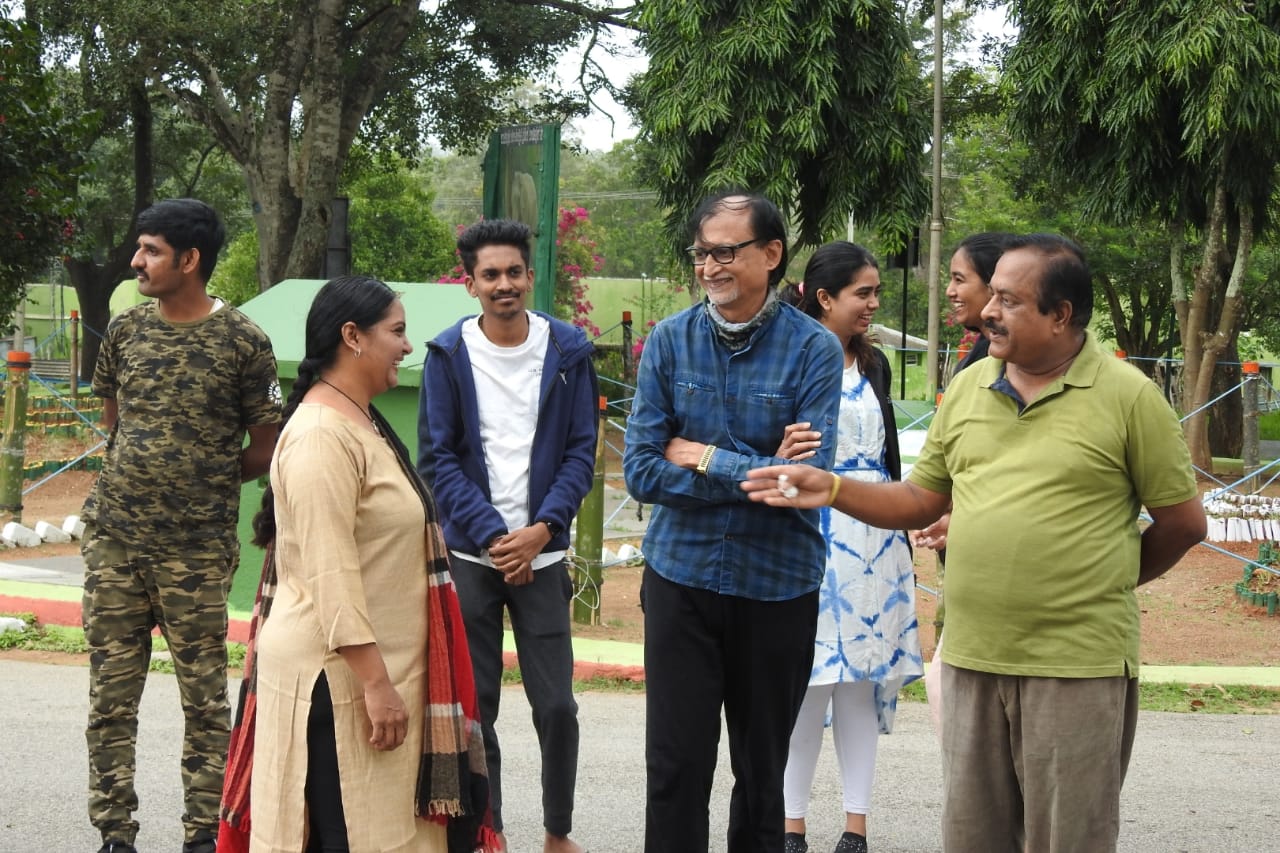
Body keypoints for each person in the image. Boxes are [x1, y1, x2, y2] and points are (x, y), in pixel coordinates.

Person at [743, 233, 1207, 853]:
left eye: (1009, 301)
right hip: (970, 659)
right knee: (972, 838)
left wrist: (1106, 580)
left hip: (1076, 667)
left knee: (1068, 839)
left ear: (1060, 315)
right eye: (992, 296)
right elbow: (919, 500)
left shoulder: (1129, 397)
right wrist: (829, 487)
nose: (987, 310)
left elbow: (1183, 524)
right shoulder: (969, 387)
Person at [239, 276, 495, 852]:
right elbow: (331, 574)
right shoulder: (321, 436)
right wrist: (377, 685)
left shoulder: (360, 421)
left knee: (382, 832)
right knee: (346, 833)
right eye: (397, 331)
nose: (408, 346)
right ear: (352, 336)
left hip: (375, 672)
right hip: (339, 678)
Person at [622, 191, 844, 852]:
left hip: (777, 585)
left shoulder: (814, 351)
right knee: (674, 769)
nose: (710, 266)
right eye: (701, 253)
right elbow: (640, 470)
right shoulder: (669, 341)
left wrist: (699, 455)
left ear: (771, 254)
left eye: (727, 251)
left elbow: (798, 482)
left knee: (761, 776)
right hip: (680, 578)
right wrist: (748, 467)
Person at [81, 198, 281, 853]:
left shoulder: (243, 340)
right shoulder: (127, 330)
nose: (137, 261)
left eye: (151, 250)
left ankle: (204, 833)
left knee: (204, 699)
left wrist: (209, 475)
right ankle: (115, 833)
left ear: (189, 260)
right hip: (114, 542)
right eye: (140, 248)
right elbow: (114, 420)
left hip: (195, 551)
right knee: (111, 698)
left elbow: (268, 440)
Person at [418, 219, 597, 853]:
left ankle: (558, 832)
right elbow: (438, 459)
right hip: (471, 555)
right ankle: (483, 835)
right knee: (477, 711)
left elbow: (581, 452)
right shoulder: (448, 355)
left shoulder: (568, 351)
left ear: (530, 275)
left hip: (543, 558)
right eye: (489, 275)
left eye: (514, 272)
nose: (504, 285)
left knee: (557, 708)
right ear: (470, 284)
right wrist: (499, 538)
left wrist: (541, 531)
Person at [775, 244, 924, 853]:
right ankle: (791, 827)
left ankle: (855, 829)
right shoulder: (787, 360)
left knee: (862, 681)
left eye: (876, 292)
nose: (873, 304)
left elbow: (888, 457)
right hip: (813, 534)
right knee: (808, 681)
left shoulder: (876, 365)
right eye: (863, 293)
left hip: (878, 539)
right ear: (825, 296)